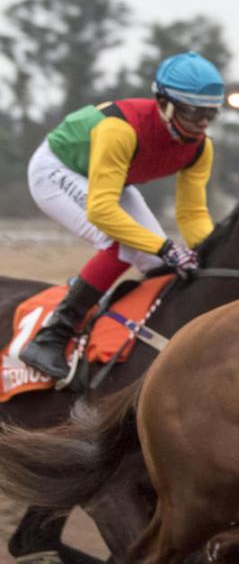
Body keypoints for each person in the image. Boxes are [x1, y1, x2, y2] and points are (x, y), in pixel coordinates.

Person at [19, 51, 224, 379]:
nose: (202, 123)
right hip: (56, 170)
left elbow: (192, 213)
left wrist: (208, 253)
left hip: (107, 179)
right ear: (164, 104)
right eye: (194, 112)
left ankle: (127, 324)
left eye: (210, 114)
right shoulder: (119, 129)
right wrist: (166, 247)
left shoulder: (201, 148)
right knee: (127, 245)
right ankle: (52, 335)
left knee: (156, 265)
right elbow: (101, 210)